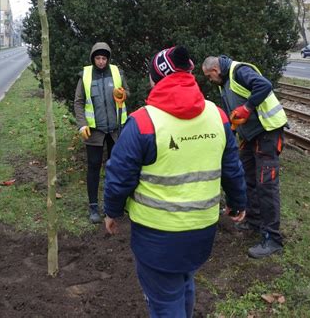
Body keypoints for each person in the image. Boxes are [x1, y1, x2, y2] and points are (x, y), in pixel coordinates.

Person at [104, 46, 246, 318]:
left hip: (157, 237)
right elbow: (232, 168)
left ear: (156, 79)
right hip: (201, 231)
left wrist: (112, 211)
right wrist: (238, 203)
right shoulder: (217, 116)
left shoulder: (143, 122)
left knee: (164, 300)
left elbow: (119, 176)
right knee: (184, 280)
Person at [202, 54, 287, 258]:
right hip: (250, 137)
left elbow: (264, 85)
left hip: (267, 132)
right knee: (247, 178)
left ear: (215, 71)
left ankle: (272, 238)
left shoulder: (239, 72)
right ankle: (254, 222)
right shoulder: (225, 83)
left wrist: (248, 107)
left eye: (208, 76)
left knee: (266, 184)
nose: (210, 80)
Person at [74, 41, 130, 223]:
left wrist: (123, 95)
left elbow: (127, 91)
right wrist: (82, 124)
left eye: (103, 58)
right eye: (97, 58)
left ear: (108, 59)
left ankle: (114, 205)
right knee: (94, 167)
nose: (100, 61)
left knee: (116, 168)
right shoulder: (85, 76)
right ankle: (93, 207)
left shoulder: (117, 72)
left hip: (115, 130)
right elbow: (79, 102)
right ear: (93, 59)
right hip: (94, 131)